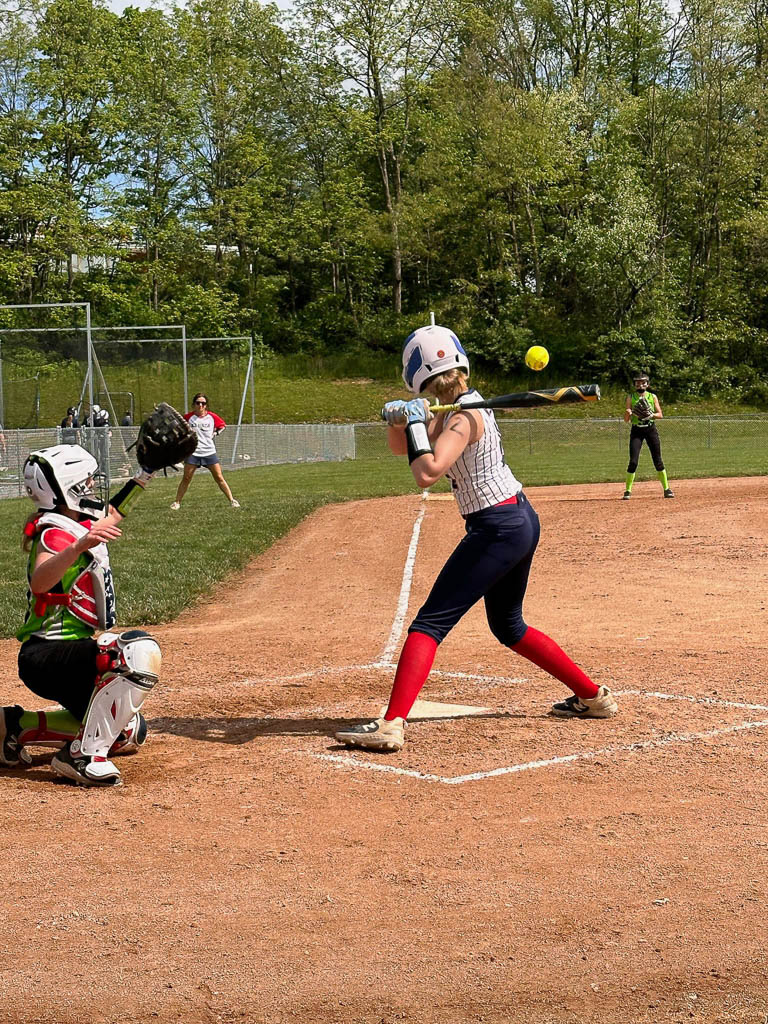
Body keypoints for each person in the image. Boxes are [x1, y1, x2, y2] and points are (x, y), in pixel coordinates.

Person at [335, 324, 617, 753]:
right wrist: (401, 421)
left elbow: (426, 472)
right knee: (509, 626)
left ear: (416, 371)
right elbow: (404, 449)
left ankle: (391, 724)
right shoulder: (451, 410)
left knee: (429, 624)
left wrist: (415, 424)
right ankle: (593, 698)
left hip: (498, 527)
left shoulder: (464, 416)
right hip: (516, 519)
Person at [0, 443, 162, 786]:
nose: (91, 488)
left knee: (126, 731)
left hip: (62, 653)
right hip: (46, 654)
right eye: (85, 483)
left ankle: (15, 725)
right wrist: (79, 546)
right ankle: (82, 757)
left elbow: (114, 513)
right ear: (65, 488)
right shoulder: (54, 531)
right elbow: (41, 581)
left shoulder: (74, 521)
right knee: (134, 652)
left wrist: (144, 474)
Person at [170, 392, 240, 510]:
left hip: (209, 452)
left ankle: (232, 500)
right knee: (186, 478)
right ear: (194, 404)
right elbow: (177, 427)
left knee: (219, 477)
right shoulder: (187, 417)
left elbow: (222, 425)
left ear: (206, 405)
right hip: (193, 453)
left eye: (203, 403)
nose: (201, 405)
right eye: (198, 403)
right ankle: (177, 502)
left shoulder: (212, 417)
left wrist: (215, 433)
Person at [622, 372, 674, 500]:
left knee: (658, 460)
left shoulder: (652, 396)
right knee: (633, 461)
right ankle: (627, 491)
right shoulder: (631, 397)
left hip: (650, 429)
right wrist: (628, 412)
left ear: (647, 384)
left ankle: (667, 489)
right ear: (634, 385)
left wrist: (651, 415)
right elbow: (626, 420)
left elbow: (660, 414)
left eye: (643, 382)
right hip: (637, 431)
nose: (641, 384)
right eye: (638, 382)